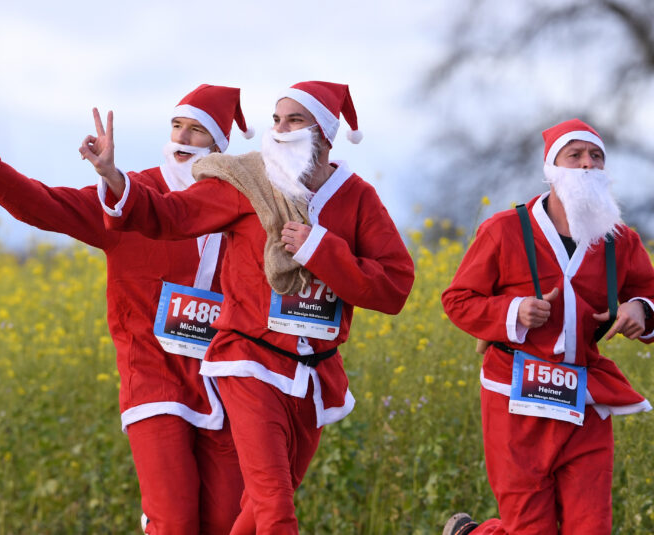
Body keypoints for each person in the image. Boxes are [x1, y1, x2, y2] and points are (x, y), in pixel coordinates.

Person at [92, 81, 415, 534]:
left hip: (313, 378)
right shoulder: (249, 181)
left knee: (246, 519)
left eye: (294, 120)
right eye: (276, 120)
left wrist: (322, 249)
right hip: (248, 365)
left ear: (323, 132)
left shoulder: (357, 197)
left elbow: (394, 288)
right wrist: (115, 179)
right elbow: (171, 216)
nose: (280, 130)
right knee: (274, 510)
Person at [0, 84, 253, 534]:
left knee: (228, 523)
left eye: (196, 131)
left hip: (223, 385)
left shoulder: (239, 205)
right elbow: (42, 205)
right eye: (177, 125)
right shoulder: (126, 197)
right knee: (174, 522)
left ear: (219, 144)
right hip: (154, 379)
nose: (182, 138)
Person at [441, 118, 654, 535]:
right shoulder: (504, 230)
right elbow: (458, 300)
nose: (587, 164)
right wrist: (514, 311)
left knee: (591, 527)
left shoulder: (620, 240)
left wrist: (640, 309)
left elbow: (650, 292)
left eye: (596, 156)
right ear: (552, 168)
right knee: (530, 528)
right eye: (574, 155)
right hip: (514, 399)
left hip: (585, 397)